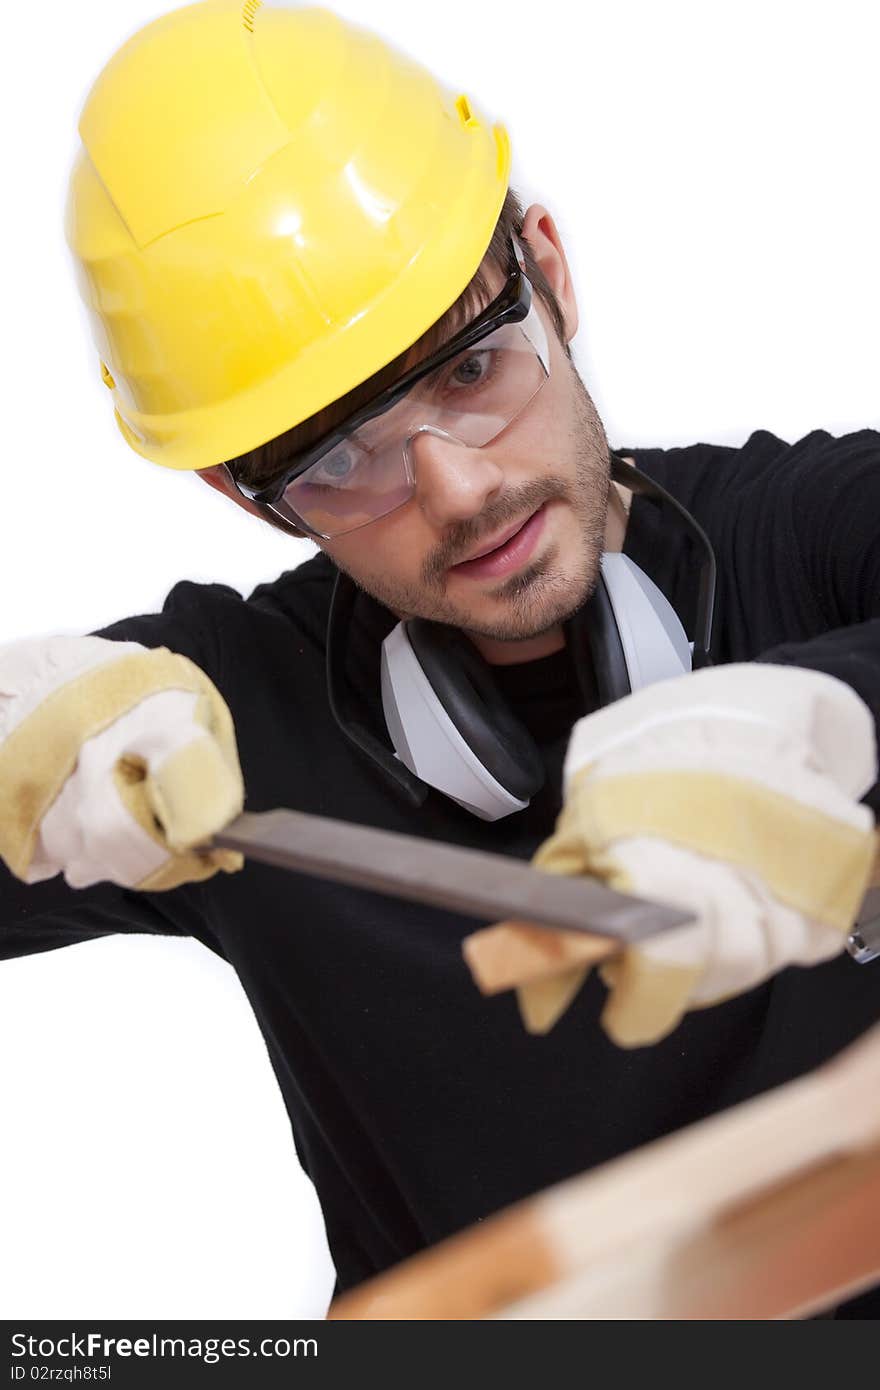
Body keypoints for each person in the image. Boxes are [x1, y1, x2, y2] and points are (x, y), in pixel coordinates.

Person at [2, 0, 878, 1315]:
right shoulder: (207, 735)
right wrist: (22, 745)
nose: (460, 491)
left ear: (552, 273)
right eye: (339, 459)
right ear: (254, 500)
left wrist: (824, 715)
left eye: (473, 367)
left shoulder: (809, 539)